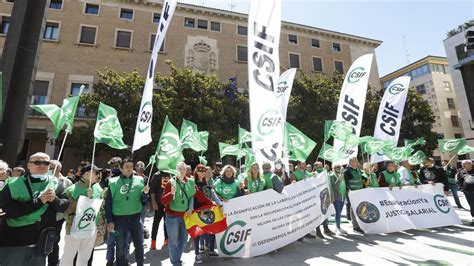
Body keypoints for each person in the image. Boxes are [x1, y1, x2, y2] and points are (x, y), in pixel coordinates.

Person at [0, 152, 70, 266]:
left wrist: (54, 199)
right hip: (14, 241)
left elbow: (64, 206)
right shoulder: (13, 184)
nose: (42, 166)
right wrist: (38, 201)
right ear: (28, 165)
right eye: (37, 162)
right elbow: (4, 211)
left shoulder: (56, 184)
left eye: (46, 163)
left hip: (42, 241)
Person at [105, 158, 149, 266]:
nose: (129, 169)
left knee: (139, 244)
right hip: (119, 219)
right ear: (121, 168)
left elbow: (143, 202)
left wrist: (145, 194)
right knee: (120, 246)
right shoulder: (113, 182)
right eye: (126, 166)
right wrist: (110, 220)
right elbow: (108, 203)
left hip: (135, 218)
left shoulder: (140, 180)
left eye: (131, 166)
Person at [60, 164, 104, 266]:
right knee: (68, 256)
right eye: (96, 172)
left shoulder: (98, 188)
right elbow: (66, 210)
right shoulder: (71, 189)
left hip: (92, 226)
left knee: (85, 257)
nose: (98, 175)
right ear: (86, 174)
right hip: (74, 226)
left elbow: (101, 208)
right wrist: (83, 197)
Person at [161, 162, 196, 266]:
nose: (182, 171)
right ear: (176, 170)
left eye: (184, 169)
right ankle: (175, 262)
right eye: (180, 169)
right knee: (174, 241)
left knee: (184, 240)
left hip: (185, 216)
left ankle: (177, 259)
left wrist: (190, 208)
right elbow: (163, 201)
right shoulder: (170, 182)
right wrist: (171, 193)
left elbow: (192, 196)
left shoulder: (190, 182)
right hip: (172, 217)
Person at [191, 164, 222, 263]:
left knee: (211, 231)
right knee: (197, 233)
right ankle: (197, 254)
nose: (202, 172)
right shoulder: (193, 184)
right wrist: (190, 209)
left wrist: (220, 204)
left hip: (209, 210)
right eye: (199, 170)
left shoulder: (207, 184)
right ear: (196, 171)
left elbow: (213, 195)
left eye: (204, 170)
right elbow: (191, 197)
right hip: (197, 211)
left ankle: (211, 250)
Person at [48, 160, 73, 266]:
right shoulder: (45, 179)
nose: (51, 170)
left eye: (53, 167)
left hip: (59, 216)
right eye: (50, 167)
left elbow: (68, 200)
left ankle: (53, 263)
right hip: (42, 216)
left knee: (54, 240)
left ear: (59, 169)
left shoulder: (67, 182)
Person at [149, 171, 170, 250]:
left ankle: (167, 239)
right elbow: (152, 190)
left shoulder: (171, 174)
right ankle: (153, 241)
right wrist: (153, 202)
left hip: (168, 204)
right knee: (156, 222)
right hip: (159, 203)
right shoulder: (157, 175)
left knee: (167, 222)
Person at [314, 161, 334, 238]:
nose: (321, 167)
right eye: (319, 166)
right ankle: (318, 230)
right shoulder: (314, 174)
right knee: (318, 214)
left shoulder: (324, 173)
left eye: (321, 165)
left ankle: (326, 229)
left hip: (325, 195)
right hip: (318, 197)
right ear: (316, 167)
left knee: (325, 212)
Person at [344, 157, 364, 233]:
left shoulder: (358, 170)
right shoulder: (347, 171)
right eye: (355, 161)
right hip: (352, 194)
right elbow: (345, 183)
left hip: (359, 192)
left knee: (359, 208)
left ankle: (359, 224)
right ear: (351, 163)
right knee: (353, 209)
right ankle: (355, 227)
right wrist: (349, 192)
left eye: (357, 161)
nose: (357, 163)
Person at [329, 164, 347, 235]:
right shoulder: (332, 175)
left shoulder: (342, 175)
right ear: (333, 168)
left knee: (340, 212)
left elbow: (344, 185)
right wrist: (338, 180)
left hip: (342, 196)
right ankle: (338, 227)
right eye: (337, 168)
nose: (338, 169)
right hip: (336, 197)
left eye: (339, 167)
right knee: (338, 212)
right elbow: (334, 187)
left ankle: (338, 226)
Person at [457, 160, 474, 225]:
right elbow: (459, 181)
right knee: (472, 205)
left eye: (464, 164)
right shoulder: (461, 172)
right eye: (462, 164)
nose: (462, 165)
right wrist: (461, 188)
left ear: (470, 164)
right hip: (468, 192)